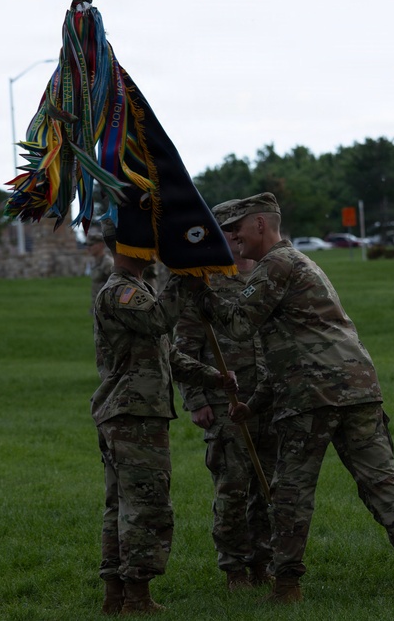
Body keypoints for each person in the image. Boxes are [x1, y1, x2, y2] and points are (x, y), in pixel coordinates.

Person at [188, 192, 394, 603]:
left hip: (313, 396)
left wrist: (199, 290)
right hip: (357, 389)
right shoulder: (301, 262)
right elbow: (294, 344)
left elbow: (237, 325)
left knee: (290, 494)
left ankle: (287, 587)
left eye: (235, 231)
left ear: (260, 225)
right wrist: (256, 401)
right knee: (382, 483)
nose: (232, 240)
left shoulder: (275, 265)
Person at [92, 222, 238, 615]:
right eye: (149, 242)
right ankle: (135, 596)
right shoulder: (120, 292)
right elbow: (159, 321)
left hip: (133, 412)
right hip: (132, 414)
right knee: (146, 506)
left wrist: (216, 378)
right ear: (130, 246)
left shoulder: (138, 290)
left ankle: (116, 595)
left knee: (122, 505)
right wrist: (184, 274)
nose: (155, 248)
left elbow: (166, 354)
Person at [174, 199, 277, 591]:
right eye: (226, 231)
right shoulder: (207, 284)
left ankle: (262, 562)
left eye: (237, 229)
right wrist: (196, 400)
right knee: (233, 489)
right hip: (224, 404)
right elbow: (183, 349)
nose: (233, 238)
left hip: (266, 399)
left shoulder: (269, 276)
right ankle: (234, 567)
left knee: (268, 485)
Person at [86, 228, 114, 312]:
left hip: (107, 307)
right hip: (98, 304)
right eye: (87, 245)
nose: (88, 248)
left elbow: (114, 285)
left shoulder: (108, 263)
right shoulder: (94, 262)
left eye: (91, 245)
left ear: (101, 245)